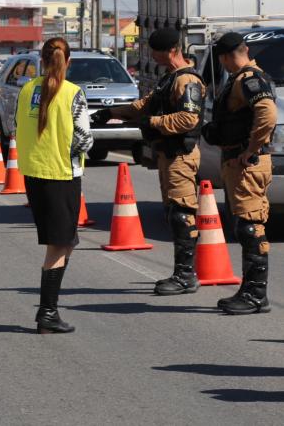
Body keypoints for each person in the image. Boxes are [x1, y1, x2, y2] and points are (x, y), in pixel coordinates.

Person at [92, 27, 206, 296]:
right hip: (168, 154)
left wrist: (152, 123)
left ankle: (185, 276)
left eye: (155, 51)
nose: (151, 56)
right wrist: (111, 112)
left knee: (182, 213)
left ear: (170, 51)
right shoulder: (169, 78)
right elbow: (144, 105)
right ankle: (183, 273)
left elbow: (189, 119)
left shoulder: (186, 81)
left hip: (181, 155)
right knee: (172, 212)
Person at [15, 38, 93, 334]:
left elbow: (18, 125)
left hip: (34, 172)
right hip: (61, 174)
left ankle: (49, 311)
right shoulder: (73, 93)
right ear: (67, 61)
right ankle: (47, 312)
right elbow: (84, 139)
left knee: (65, 241)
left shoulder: (26, 89)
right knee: (59, 245)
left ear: (42, 60)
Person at [202, 32, 277, 314]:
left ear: (225, 57)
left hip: (247, 163)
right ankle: (251, 291)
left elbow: (268, 113)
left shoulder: (248, 79)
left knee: (250, 227)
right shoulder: (242, 78)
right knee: (246, 224)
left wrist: (252, 148)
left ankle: (256, 295)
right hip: (239, 161)